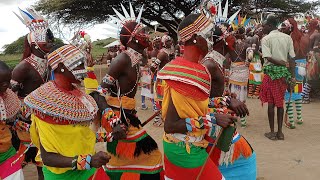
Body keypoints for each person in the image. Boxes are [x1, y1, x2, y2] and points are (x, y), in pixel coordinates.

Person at [158, 12, 237, 179]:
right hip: (183, 147)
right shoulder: (180, 73)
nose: (211, 40)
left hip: (189, 144)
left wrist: (226, 101)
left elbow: (196, 104)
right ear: (195, 38)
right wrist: (212, 119)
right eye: (207, 35)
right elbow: (170, 125)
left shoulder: (195, 68)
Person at [93, 4, 163, 179]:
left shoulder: (134, 59)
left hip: (127, 115)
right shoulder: (122, 59)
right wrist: (114, 121)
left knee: (122, 160)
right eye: (142, 32)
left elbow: (146, 73)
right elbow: (98, 93)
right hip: (118, 118)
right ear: (133, 38)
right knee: (152, 157)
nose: (147, 35)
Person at [24, 44, 110, 179]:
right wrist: (88, 161)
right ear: (60, 67)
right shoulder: (46, 103)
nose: (84, 70)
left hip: (89, 170)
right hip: (62, 175)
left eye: (83, 64)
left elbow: (82, 134)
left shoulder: (80, 97)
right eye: (78, 65)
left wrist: (110, 137)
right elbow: (48, 158)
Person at [11, 9, 55, 179]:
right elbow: (8, 94)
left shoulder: (49, 62)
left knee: (42, 159)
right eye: (46, 40)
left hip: (42, 115)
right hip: (26, 120)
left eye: (50, 39)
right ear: (35, 43)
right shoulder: (23, 67)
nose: (50, 43)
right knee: (22, 159)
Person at [260, 15, 296, 140]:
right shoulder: (287, 38)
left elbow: (268, 57)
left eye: (264, 25)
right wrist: (292, 77)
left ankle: (272, 132)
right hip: (284, 74)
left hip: (271, 73)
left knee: (271, 103)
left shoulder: (266, 39)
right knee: (280, 102)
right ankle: (280, 132)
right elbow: (292, 58)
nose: (262, 27)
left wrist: (281, 63)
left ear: (270, 25)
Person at [0, 61, 24, 180]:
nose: (7, 85)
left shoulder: (8, 97)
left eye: (8, 81)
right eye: (2, 82)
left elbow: (9, 121)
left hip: (7, 153)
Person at [227, 27, 251, 127]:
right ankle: (243, 120)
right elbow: (250, 56)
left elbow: (226, 60)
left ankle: (233, 117)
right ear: (243, 34)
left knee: (233, 94)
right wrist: (248, 62)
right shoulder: (247, 45)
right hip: (244, 73)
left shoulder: (230, 45)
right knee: (242, 95)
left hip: (234, 73)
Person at [151, 34, 175, 126]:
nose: (170, 42)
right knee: (160, 101)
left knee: (168, 100)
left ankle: (165, 118)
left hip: (168, 79)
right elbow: (153, 67)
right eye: (168, 41)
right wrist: (160, 73)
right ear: (164, 43)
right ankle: (157, 120)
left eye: (170, 40)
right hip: (162, 80)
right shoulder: (162, 54)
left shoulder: (170, 52)